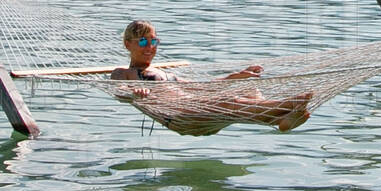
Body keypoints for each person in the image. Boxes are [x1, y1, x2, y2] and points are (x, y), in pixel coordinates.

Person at [110, 20, 315, 134]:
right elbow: (119, 91)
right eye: (143, 42)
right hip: (180, 118)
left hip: (198, 107)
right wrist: (134, 94)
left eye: (154, 41)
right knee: (229, 102)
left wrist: (235, 76)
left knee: (248, 89)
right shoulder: (123, 73)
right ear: (128, 44)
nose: (150, 47)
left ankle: (280, 120)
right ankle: (286, 106)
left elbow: (201, 86)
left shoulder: (165, 73)